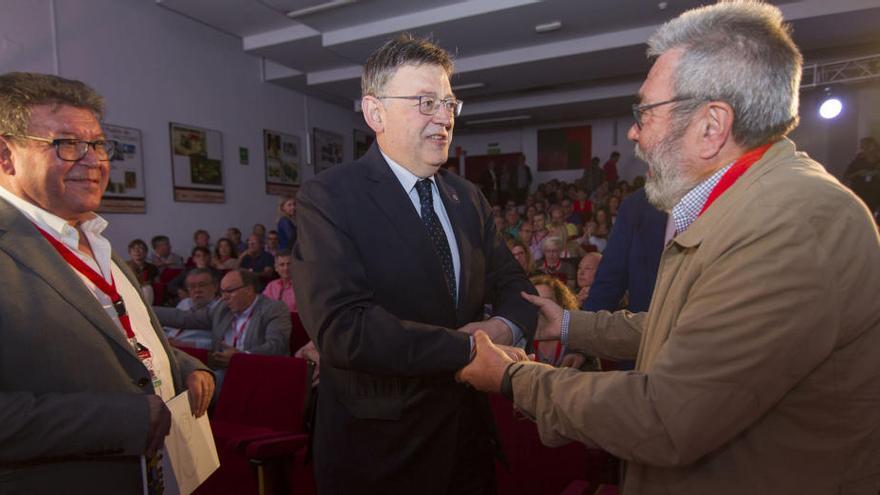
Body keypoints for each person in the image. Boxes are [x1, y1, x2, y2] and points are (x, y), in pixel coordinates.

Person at [458, 3, 880, 493]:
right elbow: (681, 330)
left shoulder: (791, 223)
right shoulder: (748, 205)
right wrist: (570, 324)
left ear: (711, 126)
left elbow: (664, 417)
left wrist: (515, 379)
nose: (635, 132)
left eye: (645, 112)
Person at [290, 34, 537, 494]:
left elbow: (518, 288)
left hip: (468, 445)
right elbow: (344, 329)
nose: (444, 118)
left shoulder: (468, 197)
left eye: (448, 102)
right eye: (426, 102)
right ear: (375, 112)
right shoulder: (330, 197)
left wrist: (496, 331)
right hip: (381, 455)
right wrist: (465, 351)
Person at [0, 71, 213, 493]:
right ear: (6, 156)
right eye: (67, 144)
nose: (95, 161)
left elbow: (119, 340)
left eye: (98, 144)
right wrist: (122, 420)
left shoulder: (96, 241)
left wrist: (182, 368)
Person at [154, 269, 291, 369]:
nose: (224, 297)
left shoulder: (273, 309)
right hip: (222, 367)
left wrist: (241, 357)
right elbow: (184, 318)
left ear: (248, 290)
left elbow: (276, 345)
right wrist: (145, 309)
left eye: (229, 291)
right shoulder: (223, 308)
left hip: (258, 370)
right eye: (222, 292)